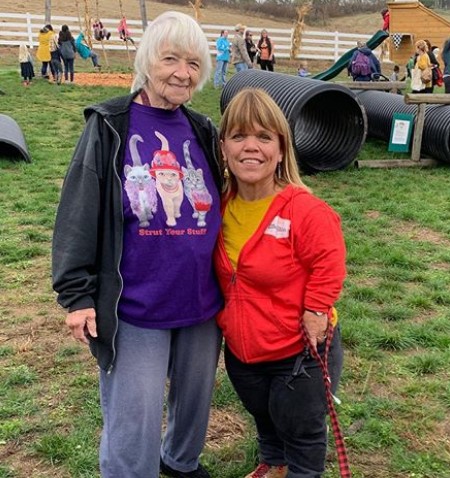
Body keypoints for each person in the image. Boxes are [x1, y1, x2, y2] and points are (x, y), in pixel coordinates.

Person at [52, 11, 223, 478]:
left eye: (193, 62)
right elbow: (79, 210)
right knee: (134, 418)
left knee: (194, 403)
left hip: (202, 304)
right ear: (148, 61)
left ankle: (180, 462)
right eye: (170, 59)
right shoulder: (110, 124)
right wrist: (77, 294)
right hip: (136, 308)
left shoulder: (203, 129)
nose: (182, 73)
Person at [215, 88, 346, 478]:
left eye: (263, 137)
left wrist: (317, 309)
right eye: (239, 136)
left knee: (302, 429)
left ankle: (302, 471)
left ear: (281, 147)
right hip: (243, 348)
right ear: (223, 147)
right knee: (265, 414)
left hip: (297, 349)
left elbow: (329, 260)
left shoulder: (305, 209)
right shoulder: (218, 207)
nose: (250, 147)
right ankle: (273, 460)